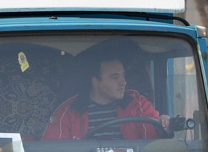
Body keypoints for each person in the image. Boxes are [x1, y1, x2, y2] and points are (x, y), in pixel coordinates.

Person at [42, 57, 170, 140]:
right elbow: (51, 149)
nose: (123, 82)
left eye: (123, 75)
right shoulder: (69, 111)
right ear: (96, 82)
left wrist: (163, 126)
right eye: (115, 77)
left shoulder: (137, 104)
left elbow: (153, 142)